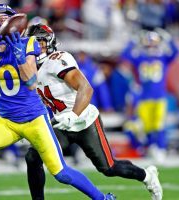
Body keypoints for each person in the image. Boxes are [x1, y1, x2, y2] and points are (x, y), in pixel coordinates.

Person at [0, 3, 114, 200]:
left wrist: (19, 55)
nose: (1, 22)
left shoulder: (27, 43)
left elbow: (31, 82)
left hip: (34, 120)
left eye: (5, 19)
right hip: (8, 121)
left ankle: (103, 198)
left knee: (61, 173)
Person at [24, 23, 163, 200]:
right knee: (33, 157)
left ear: (50, 42)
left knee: (109, 168)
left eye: (41, 42)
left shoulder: (57, 59)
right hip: (60, 124)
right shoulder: (28, 68)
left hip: (83, 119)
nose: (38, 47)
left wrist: (73, 115)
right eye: (34, 43)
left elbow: (86, 88)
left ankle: (147, 175)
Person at [121, 28, 179, 162]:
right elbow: (125, 55)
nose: (151, 46)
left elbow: (176, 53)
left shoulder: (162, 57)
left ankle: (160, 148)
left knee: (158, 125)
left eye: (154, 43)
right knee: (147, 127)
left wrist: (169, 38)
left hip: (159, 97)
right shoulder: (141, 58)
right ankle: (150, 148)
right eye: (149, 43)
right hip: (144, 98)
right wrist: (133, 40)